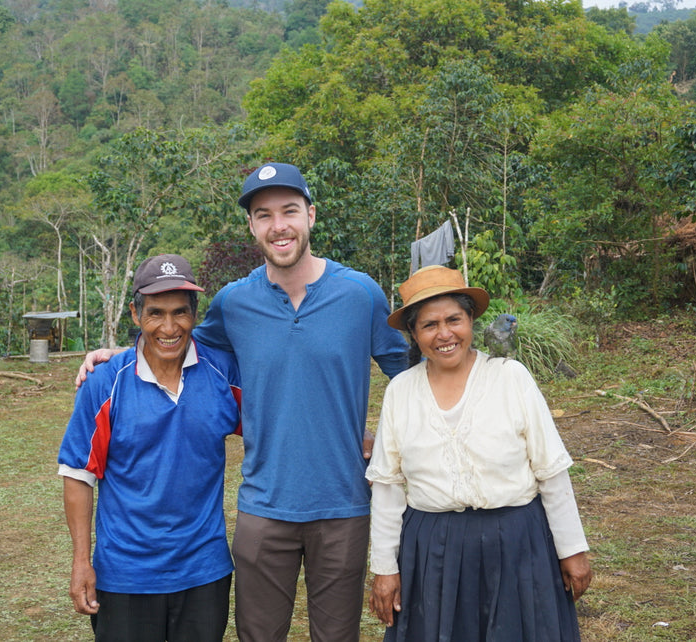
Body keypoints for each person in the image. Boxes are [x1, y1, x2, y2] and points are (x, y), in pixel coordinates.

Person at [76, 163, 410, 642]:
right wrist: (117, 356)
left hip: (343, 506)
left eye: (289, 211)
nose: (279, 225)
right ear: (252, 226)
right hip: (263, 507)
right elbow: (176, 337)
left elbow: (409, 376)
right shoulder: (234, 303)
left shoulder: (360, 295)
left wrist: (390, 443)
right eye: (264, 214)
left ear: (311, 215)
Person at [366, 265, 592, 641]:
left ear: (471, 320)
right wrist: (385, 569)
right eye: (429, 325)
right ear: (413, 334)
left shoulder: (510, 377)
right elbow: (388, 487)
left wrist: (572, 550)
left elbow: (550, 469)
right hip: (433, 550)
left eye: (454, 319)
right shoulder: (401, 392)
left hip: (518, 543)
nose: (444, 334)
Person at [58, 254, 241, 642]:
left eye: (181, 313)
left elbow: (278, 417)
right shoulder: (105, 383)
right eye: (156, 313)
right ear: (135, 314)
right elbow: (78, 474)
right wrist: (80, 562)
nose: (169, 327)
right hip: (126, 574)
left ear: (196, 314)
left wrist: (354, 432)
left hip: (204, 570)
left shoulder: (223, 373)